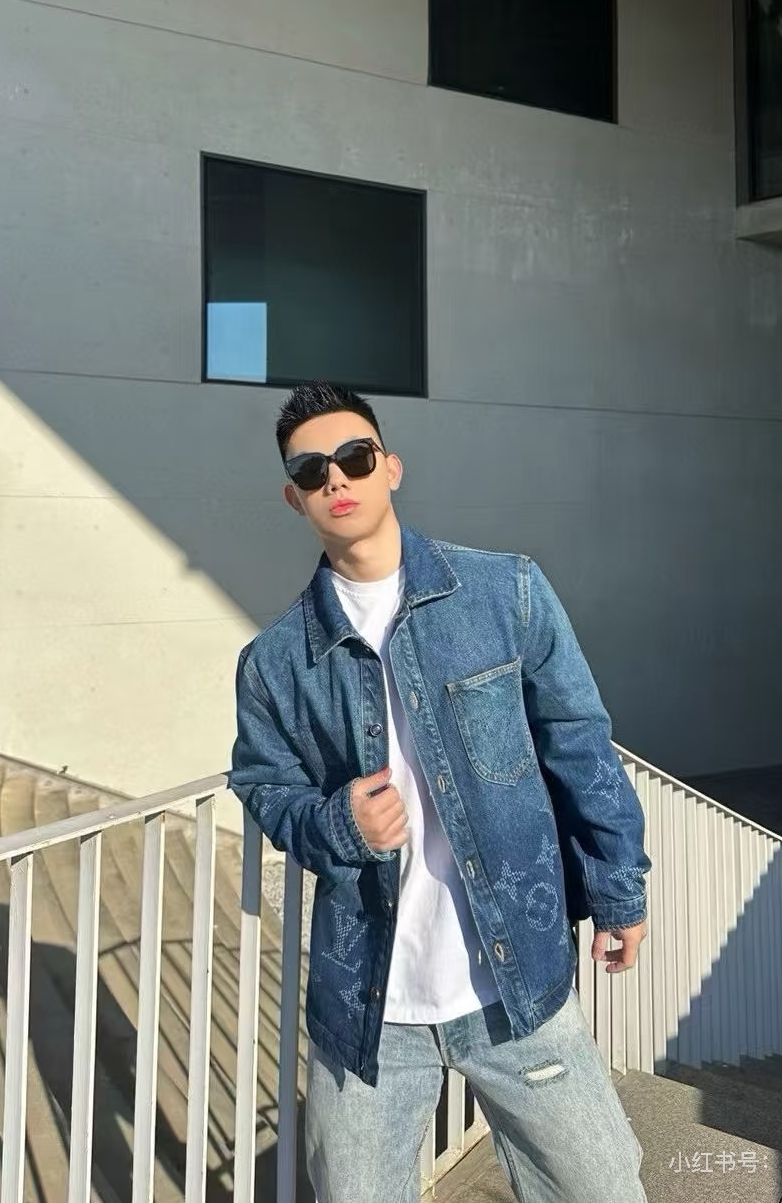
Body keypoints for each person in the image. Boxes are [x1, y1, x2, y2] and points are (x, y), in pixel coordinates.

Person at [228, 381, 650, 1203]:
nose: (335, 480)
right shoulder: (275, 661)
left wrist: (618, 889)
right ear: (294, 498)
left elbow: (578, 744)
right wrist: (337, 825)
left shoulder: (505, 592)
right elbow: (263, 784)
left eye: (353, 458)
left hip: (516, 979)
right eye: (312, 472)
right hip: (368, 1007)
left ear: (390, 467)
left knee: (603, 1187)